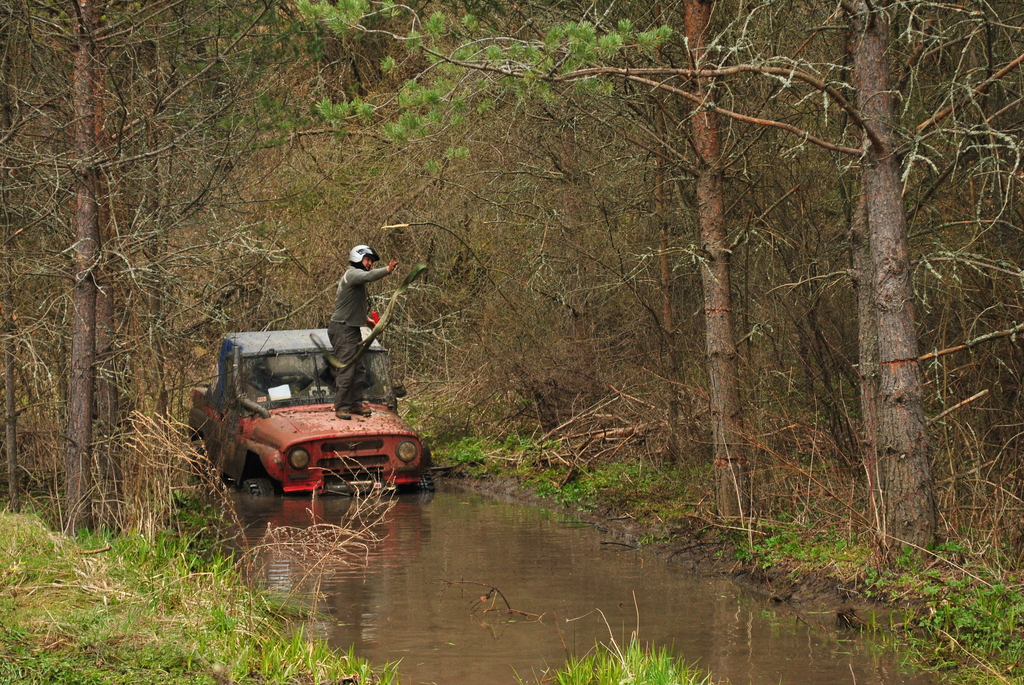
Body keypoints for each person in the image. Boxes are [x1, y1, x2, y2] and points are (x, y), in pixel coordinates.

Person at [329, 245, 397, 419]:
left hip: (351, 327)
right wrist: (387, 270)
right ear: (358, 258)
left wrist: (366, 320)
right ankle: (342, 406)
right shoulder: (353, 274)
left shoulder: (355, 279)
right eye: (367, 260)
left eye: (371, 261)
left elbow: (350, 304)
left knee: (358, 369)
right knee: (347, 369)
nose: (369, 264)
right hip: (342, 328)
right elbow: (369, 276)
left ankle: (355, 404)